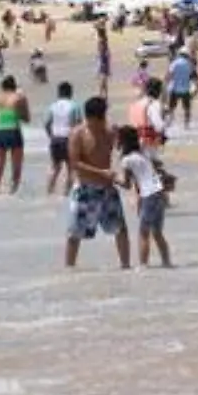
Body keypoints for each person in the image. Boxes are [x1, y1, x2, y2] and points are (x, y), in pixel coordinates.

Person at [65, 97, 129, 270]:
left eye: (104, 116)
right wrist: (100, 172)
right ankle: (69, 270)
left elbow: (125, 148)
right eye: (100, 117)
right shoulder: (78, 133)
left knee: (120, 229)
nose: (103, 121)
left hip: (107, 189)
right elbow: (74, 163)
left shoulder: (109, 132)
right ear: (90, 117)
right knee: (74, 233)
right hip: (86, 189)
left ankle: (126, 267)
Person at [118, 126, 172, 269]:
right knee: (157, 232)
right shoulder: (144, 154)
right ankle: (166, 262)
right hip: (159, 192)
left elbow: (125, 184)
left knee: (143, 232)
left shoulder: (127, 160)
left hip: (148, 194)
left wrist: (111, 177)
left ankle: (143, 265)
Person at [0, 75, 31, 196]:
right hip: (14, 131)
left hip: (0, 132)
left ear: (2, 87)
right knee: (16, 169)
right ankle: (13, 194)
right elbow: (27, 118)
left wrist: (0, 117)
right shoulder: (19, 98)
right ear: (15, 87)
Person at [44, 81, 80, 196]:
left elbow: (47, 123)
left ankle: (49, 192)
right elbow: (79, 125)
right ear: (70, 93)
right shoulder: (74, 106)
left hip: (55, 139)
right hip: (69, 139)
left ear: (58, 93)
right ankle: (66, 194)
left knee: (55, 168)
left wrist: (51, 136)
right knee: (71, 169)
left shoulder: (52, 106)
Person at [164, 48, 196, 129]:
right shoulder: (189, 64)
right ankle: (186, 124)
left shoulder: (174, 63)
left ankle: (169, 122)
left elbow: (169, 75)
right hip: (185, 89)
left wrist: (165, 85)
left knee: (171, 107)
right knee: (187, 108)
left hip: (174, 88)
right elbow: (192, 76)